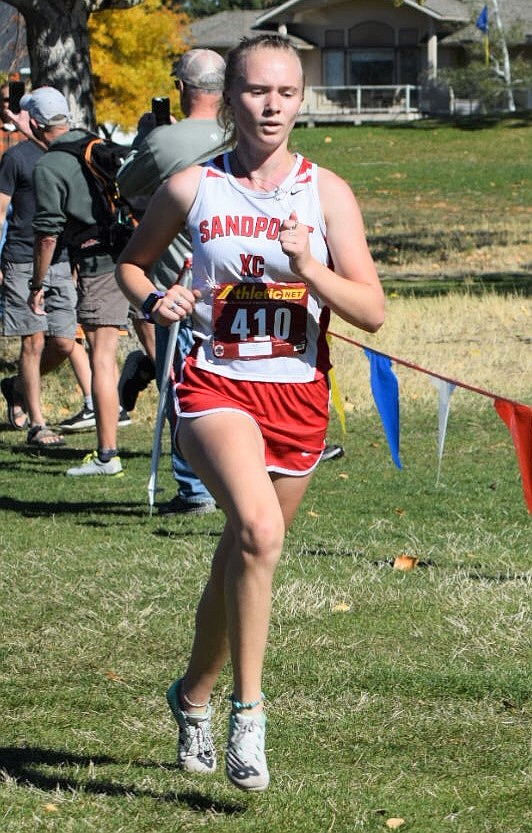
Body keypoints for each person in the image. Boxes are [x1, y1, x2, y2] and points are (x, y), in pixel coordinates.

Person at [116, 34, 385, 791]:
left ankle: (191, 696)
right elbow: (132, 265)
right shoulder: (194, 187)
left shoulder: (326, 193)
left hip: (298, 394)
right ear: (229, 98)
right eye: (257, 91)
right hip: (216, 384)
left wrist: (310, 269)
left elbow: (372, 310)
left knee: (245, 554)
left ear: (302, 101)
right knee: (260, 531)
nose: (271, 106)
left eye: (287, 93)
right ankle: (250, 713)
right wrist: (156, 297)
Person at [117, 47, 230, 515]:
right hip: (240, 280)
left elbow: (126, 184)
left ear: (182, 88)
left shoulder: (165, 141)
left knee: (183, 386)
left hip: (178, 286)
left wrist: (146, 139)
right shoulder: (241, 133)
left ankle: (195, 487)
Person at [16, 86, 130, 474]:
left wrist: (36, 283)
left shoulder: (48, 167)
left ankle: (107, 455)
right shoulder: (96, 143)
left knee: (101, 353)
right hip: (134, 255)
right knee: (155, 350)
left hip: (99, 266)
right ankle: (185, 443)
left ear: (32, 122)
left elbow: (48, 234)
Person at [0, 104, 81, 446]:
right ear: (37, 122)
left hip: (61, 259)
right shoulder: (16, 158)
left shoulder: (69, 155)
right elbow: (1, 210)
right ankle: (38, 423)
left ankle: (15, 386)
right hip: (21, 258)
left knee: (63, 342)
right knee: (32, 342)